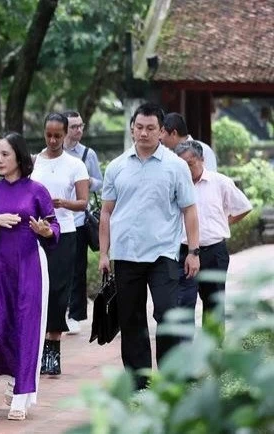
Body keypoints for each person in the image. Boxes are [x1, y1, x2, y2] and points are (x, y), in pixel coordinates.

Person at [98, 102, 200, 390]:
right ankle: (139, 383)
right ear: (132, 128)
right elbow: (106, 212)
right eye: (139, 127)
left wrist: (193, 251)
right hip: (126, 255)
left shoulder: (176, 166)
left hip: (163, 255)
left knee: (166, 314)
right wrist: (104, 253)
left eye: (150, 128)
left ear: (162, 131)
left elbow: (190, 210)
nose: (144, 133)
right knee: (131, 320)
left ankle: (168, 379)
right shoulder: (116, 167)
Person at [0, 132, 60, 421]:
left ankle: (22, 396)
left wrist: (44, 231)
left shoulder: (37, 190)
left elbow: (54, 229)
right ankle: (12, 377)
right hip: (0, 268)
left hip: (29, 265)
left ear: (19, 157)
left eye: (5, 154)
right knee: (0, 328)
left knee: (27, 325)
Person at [31, 113, 89, 376]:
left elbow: (83, 202)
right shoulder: (34, 163)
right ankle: (38, 347)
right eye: (49, 135)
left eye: (58, 135)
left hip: (64, 232)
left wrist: (62, 203)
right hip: (36, 233)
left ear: (66, 134)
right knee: (37, 289)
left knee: (57, 291)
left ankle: (54, 346)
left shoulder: (75, 165)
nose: (53, 140)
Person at [174, 140, 252, 328]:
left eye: (189, 164)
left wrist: (224, 222)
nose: (186, 169)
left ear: (202, 159)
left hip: (214, 252)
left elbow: (244, 207)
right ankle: (185, 349)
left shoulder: (221, 182)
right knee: (184, 301)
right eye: (181, 165)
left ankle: (214, 349)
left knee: (214, 302)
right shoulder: (175, 185)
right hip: (184, 252)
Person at [62, 110, 103, 334]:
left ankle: (75, 314)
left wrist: (85, 181)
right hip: (55, 220)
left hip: (78, 219)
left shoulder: (88, 154)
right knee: (59, 268)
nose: (78, 130)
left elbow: (100, 183)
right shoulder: (52, 152)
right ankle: (59, 310)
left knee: (78, 269)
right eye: (74, 126)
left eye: (81, 125)